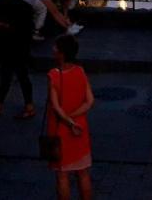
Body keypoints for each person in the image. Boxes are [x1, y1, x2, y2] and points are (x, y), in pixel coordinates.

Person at [45, 34, 94, 200]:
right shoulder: (80, 71)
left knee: (62, 175)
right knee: (83, 173)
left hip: (61, 130)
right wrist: (74, 117)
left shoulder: (54, 75)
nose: (53, 50)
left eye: (55, 48)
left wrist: (67, 120)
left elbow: (56, 106)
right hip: (81, 128)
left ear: (61, 53)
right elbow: (89, 101)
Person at [0, 0, 36, 119]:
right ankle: (28, 104)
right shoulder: (27, 8)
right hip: (22, 47)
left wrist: (3, 27)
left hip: (8, 46)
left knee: (7, 75)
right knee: (22, 76)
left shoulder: (2, 6)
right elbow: (29, 28)